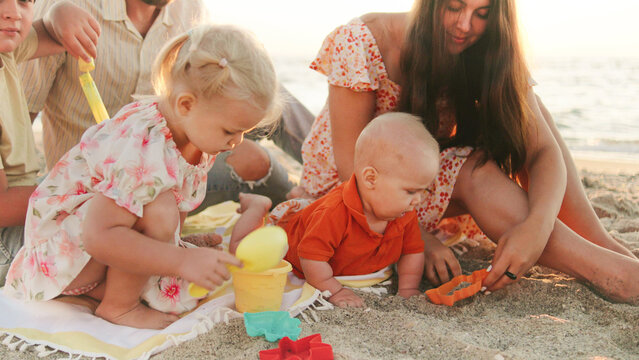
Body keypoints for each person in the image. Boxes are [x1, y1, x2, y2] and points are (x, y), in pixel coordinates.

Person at [295, 0, 639, 303]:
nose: (464, 25)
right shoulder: (363, 40)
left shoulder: (487, 47)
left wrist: (537, 226)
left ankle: (605, 249)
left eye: (482, 13)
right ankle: (614, 274)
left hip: (420, 188)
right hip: (353, 200)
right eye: (455, 6)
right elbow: (350, 168)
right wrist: (420, 239)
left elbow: (542, 151)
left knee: (531, 111)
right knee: (473, 169)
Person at [4, 24, 281, 329]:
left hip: (94, 246)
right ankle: (119, 307)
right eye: (231, 130)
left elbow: (173, 201)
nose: (237, 141)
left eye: (244, 131)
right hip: (63, 258)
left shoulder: (194, 129)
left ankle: (111, 288)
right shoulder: (141, 145)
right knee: (160, 210)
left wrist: (173, 246)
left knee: (171, 226)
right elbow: (100, 236)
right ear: (185, 104)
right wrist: (180, 261)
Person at [20, 0, 312, 214]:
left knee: (254, 90)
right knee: (162, 207)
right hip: (99, 186)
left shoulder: (190, 10)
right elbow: (19, 118)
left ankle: (328, 184)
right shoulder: (65, 11)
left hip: (174, 171)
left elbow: (218, 93)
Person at [270, 112, 439, 307]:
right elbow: (310, 258)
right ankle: (258, 207)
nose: (417, 200)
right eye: (410, 191)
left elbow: (412, 252)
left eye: (421, 191)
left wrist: (408, 289)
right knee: (272, 234)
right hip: (292, 245)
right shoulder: (334, 213)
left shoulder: (404, 213)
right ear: (370, 179)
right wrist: (335, 291)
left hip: (351, 263)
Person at [0, 0, 99, 287]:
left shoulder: (7, 49)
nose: (12, 12)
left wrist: (59, 12)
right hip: (3, 239)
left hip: (21, 205)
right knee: (101, 231)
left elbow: (51, 33)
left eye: (24, 1)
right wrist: (80, 189)